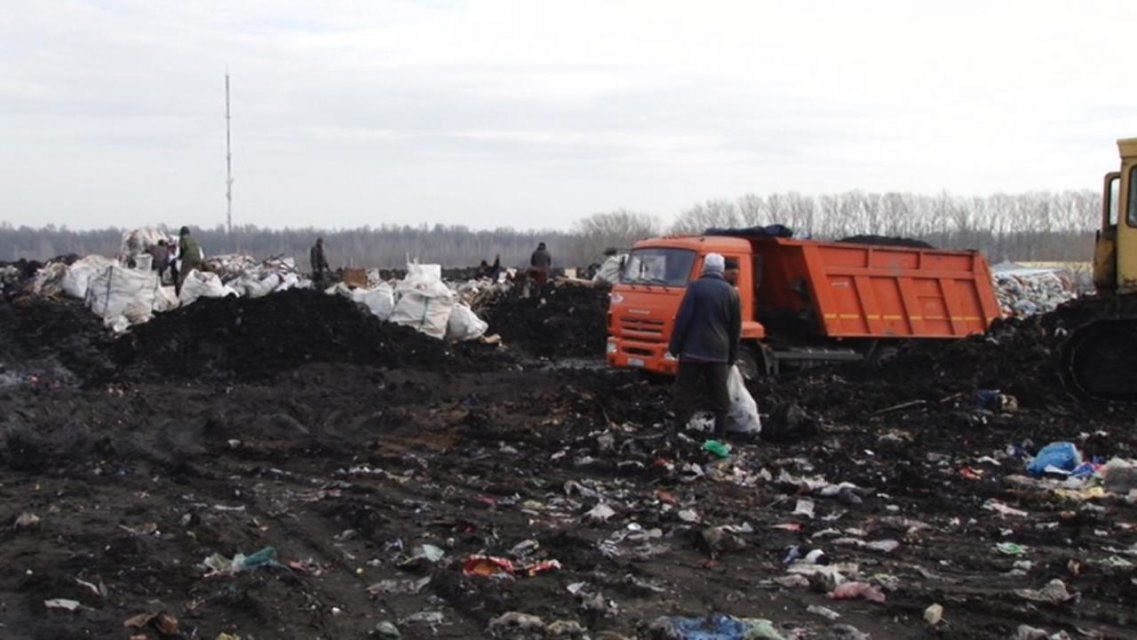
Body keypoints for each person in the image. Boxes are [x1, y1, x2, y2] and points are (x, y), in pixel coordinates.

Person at [667, 253, 742, 439]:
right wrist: (732, 355)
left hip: (691, 351)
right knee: (719, 393)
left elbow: (683, 319)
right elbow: (735, 329)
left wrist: (675, 346)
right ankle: (719, 434)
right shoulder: (732, 293)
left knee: (685, 389)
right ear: (721, 269)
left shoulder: (695, 288)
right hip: (719, 352)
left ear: (705, 267)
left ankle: (679, 429)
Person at [177, 226, 204, 294]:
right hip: (198, 258)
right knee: (197, 274)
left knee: (184, 274)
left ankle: (181, 291)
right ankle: (200, 288)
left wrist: (179, 257)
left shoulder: (182, 239)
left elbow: (182, 251)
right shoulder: (193, 239)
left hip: (188, 257)